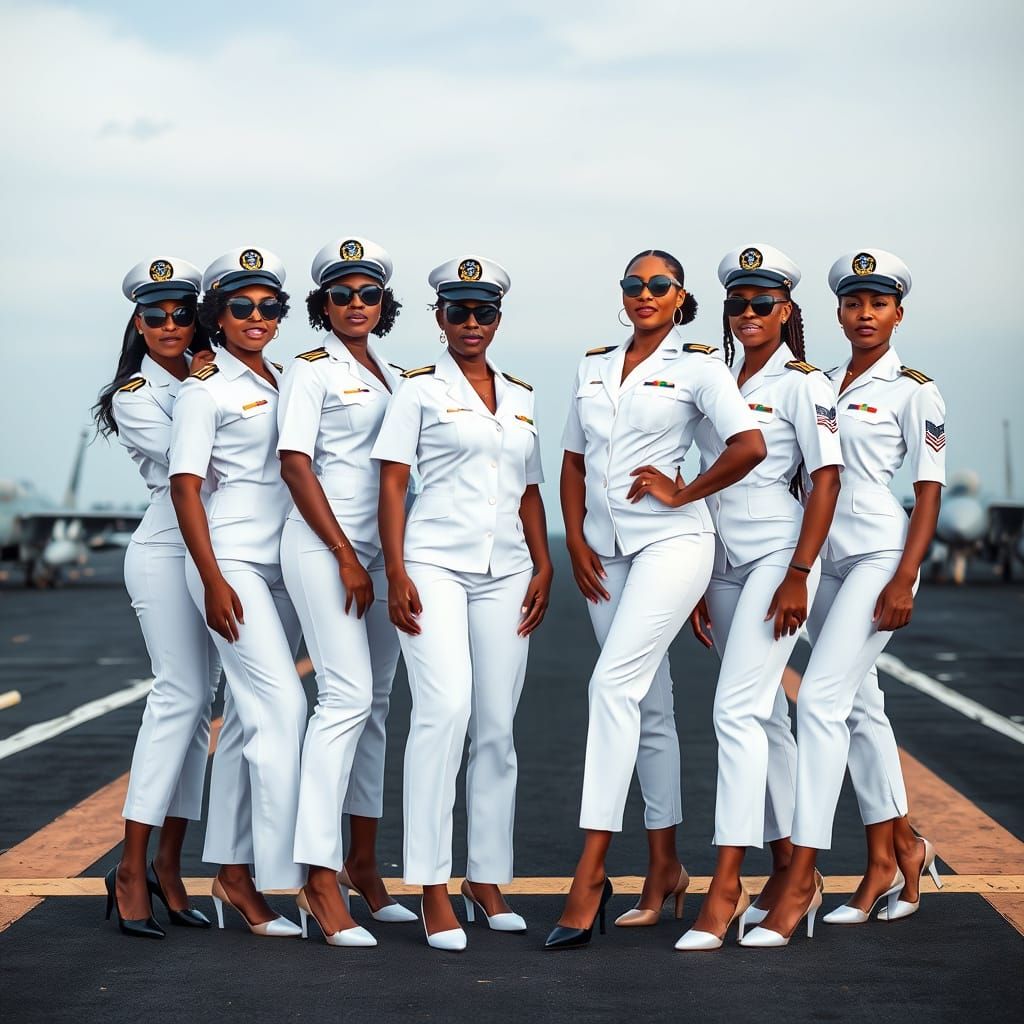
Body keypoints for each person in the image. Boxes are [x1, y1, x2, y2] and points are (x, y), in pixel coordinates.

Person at [545, 249, 767, 951]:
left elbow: (749, 445)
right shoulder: (592, 364)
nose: (645, 294)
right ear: (622, 294)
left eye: (659, 285)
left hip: (675, 543)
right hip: (604, 552)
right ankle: (666, 867)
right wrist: (576, 541)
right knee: (649, 706)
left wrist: (683, 490)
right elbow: (573, 459)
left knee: (610, 684)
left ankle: (590, 871)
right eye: (634, 285)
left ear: (680, 298)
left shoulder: (701, 365)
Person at [742, 249, 946, 947]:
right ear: (836, 311)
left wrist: (904, 576)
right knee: (863, 705)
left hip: (879, 556)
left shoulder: (915, 391)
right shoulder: (819, 382)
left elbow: (926, 493)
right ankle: (896, 855)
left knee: (822, 702)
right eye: (854, 303)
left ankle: (804, 873)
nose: (865, 315)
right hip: (819, 558)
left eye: (878, 304)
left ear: (898, 312)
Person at [372, 255, 552, 951]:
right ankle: (432, 887)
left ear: (498, 319)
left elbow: (531, 490)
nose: (470, 323)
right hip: (434, 565)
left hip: (507, 569)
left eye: (482, 312)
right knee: (443, 711)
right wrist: (394, 568)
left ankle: (486, 878)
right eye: (457, 312)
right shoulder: (416, 391)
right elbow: (394, 485)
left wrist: (544, 563)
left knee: (497, 727)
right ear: (439, 318)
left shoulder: (521, 393)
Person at [674, 244, 842, 951]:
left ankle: (725, 885)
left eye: (763, 303)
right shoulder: (708, 374)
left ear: (787, 311)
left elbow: (826, 481)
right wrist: (690, 579)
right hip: (718, 562)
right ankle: (790, 874)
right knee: (767, 718)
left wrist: (802, 571)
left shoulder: (805, 384)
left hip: (777, 556)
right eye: (738, 303)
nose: (749, 314)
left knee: (734, 712)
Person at [278, 235, 415, 947]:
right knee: (344, 700)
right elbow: (296, 465)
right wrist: (344, 554)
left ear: (383, 304)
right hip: (325, 549)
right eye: (342, 295)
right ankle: (317, 876)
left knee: (379, 706)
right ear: (322, 305)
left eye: (368, 294)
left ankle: (364, 863)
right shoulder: (311, 372)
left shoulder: (394, 372)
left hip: (383, 553)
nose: (356, 304)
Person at [169, 246, 305, 938]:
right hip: (233, 564)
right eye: (242, 307)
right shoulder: (204, 389)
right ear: (216, 317)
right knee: (285, 707)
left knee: (254, 719)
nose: (257, 317)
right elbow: (185, 487)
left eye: (269, 306)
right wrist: (213, 576)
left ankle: (229, 873)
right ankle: (298, 873)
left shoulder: (288, 379)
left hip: (283, 567)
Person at [95, 257, 218, 938]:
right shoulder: (135, 394)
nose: (169, 325)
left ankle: (170, 866)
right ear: (137, 323)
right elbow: (196, 466)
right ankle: (130, 866)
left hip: (220, 552)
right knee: (178, 697)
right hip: (167, 552)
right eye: (155, 315)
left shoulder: (219, 376)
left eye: (181, 313)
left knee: (202, 711)